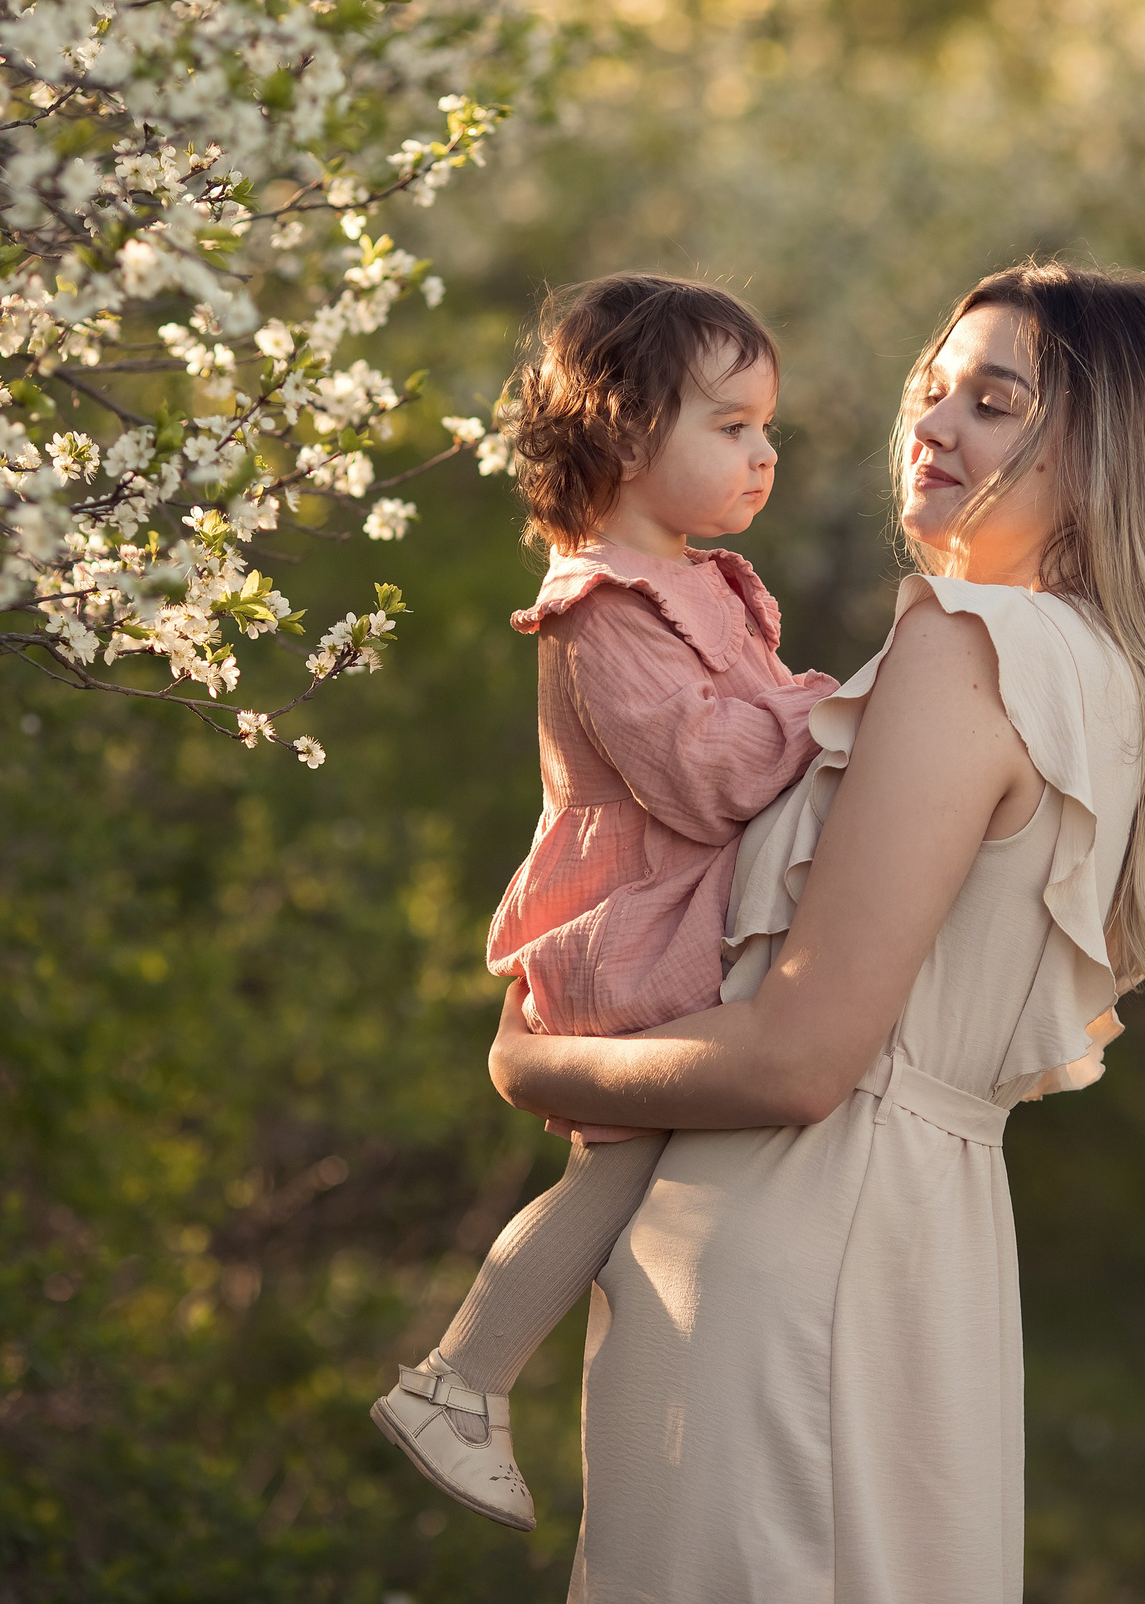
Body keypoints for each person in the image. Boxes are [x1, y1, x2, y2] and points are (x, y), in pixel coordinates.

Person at [487, 260, 1145, 1600]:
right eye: (935, 388)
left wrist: (533, 1064)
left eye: (995, 403)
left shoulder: (967, 643)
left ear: (1109, 455)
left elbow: (800, 1058)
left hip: (793, 1228)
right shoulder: (1109, 671)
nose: (934, 424)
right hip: (927, 1239)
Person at [371, 274, 839, 1529]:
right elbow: (709, 776)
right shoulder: (598, 608)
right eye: (731, 426)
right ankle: (457, 1382)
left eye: (765, 427)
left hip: (683, 901)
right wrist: (832, 710)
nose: (764, 454)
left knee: (654, 1181)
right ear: (628, 436)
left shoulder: (697, 579)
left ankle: (516, 1389)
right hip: (632, 916)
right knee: (613, 1178)